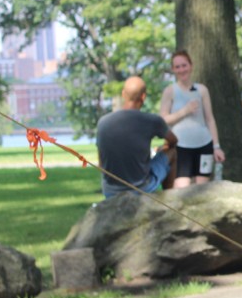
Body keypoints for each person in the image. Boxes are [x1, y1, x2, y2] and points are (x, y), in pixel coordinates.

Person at [96, 76, 178, 199]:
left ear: (123, 94)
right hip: (142, 188)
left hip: (110, 191)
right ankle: (169, 199)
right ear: (143, 97)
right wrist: (164, 147)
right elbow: (174, 141)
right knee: (173, 152)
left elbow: (101, 163)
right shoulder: (152, 121)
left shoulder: (103, 122)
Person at [159, 50, 225, 188]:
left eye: (184, 65)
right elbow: (163, 120)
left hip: (204, 145)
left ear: (191, 66)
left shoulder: (202, 90)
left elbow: (210, 119)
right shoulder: (170, 91)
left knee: (202, 190)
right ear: (173, 69)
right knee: (182, 190)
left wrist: (216, 147)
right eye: (177, 67)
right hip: (181, 148)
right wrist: (185, 111)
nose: (181, 70)